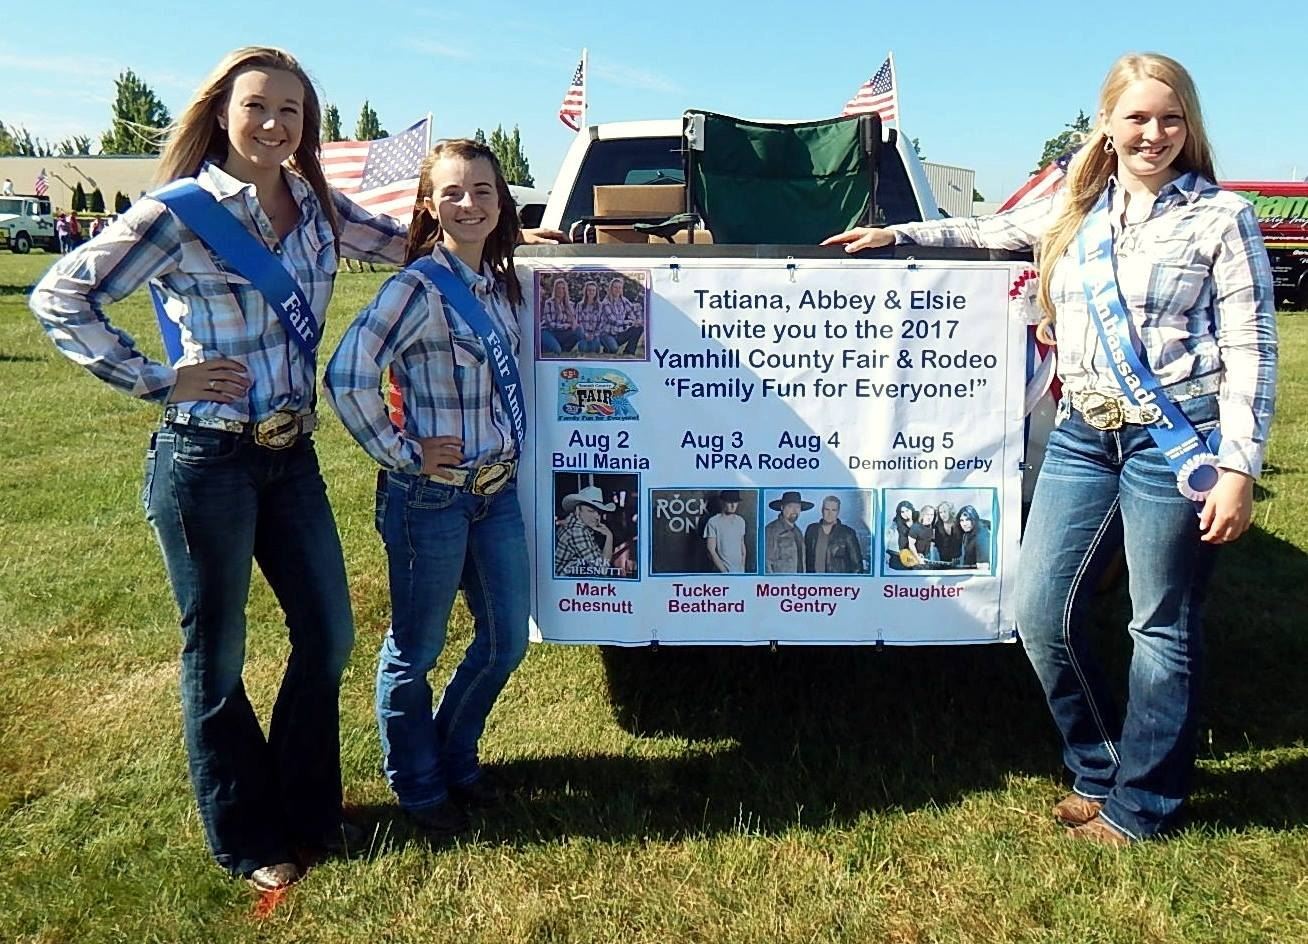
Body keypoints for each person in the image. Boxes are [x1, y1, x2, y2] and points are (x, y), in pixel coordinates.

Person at [825, 52, 1277, 844]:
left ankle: (1145, 806)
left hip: (1179, 440)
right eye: (1137, 118)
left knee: (1160, 626)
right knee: (1039, 611)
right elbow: (986, 229)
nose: (1154, 134)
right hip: (1082, 437)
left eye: (1171, 119)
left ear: (1190, 127)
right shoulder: (1077, 208)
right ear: (1106, 124)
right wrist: (898, 232)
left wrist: (1238, 464)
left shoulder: (1220, 217)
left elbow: (1253, 347)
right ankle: (1101, 766)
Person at [29, 45, 411, 892]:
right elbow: (60, 294)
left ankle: (309, 809)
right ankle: (245, 834)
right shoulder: (180, 213)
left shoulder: (316, 206)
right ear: (221, 114)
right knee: (220, 653)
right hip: (206, 459)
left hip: (292, 456)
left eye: (292, 111)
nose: (275, 124)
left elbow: (407, 245)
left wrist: (520, 237)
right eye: (257, 107)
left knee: (329, 637)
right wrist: (159, 378)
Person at [326, 138, 531, 840]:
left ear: (501, 201)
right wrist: (404, 452)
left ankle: (453, 754)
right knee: (415, 650)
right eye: (452, 192)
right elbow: (348, 375)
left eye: (482, 190)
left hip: (494, 493)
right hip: (431, 496)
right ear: (427, 204)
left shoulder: (500, 284)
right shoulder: (413, 288)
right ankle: (418, 787)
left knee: (505, 641)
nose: (469, 203)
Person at [554, 484, 617, 577]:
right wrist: (610, 537)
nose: (596, 517)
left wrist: (609, 535)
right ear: (578, 511)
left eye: (599, 512)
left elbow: (600, 561)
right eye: (590, 511)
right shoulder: (577, 531)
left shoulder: (581, 527)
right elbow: (603, 569)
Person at [805, 495, 865, 573]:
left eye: (833, 510)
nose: (830, 513)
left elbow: (857, 566)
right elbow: (805, 558)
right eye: (827, 509)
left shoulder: (848, 533)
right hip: (813, 583)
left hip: (838, 584)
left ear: (838, 512)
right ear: (822, 510)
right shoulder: (812, 530)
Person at [764, 490, 810, 574]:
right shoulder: (771, 530)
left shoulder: (798, 532)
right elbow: (766, 562)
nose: (794, 511)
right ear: (782, 508)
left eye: (797, 507)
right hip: (780, 584)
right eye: (790, 506)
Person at [704, 489, 748, 573]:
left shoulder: (740, 521)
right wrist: (723, 571)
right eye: (729, 502)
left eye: (735, 502)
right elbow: (711, 549)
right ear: (722, 502)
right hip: (722, 572)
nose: (733, 505)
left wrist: (742, 566)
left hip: (739, 571)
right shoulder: (713, 521)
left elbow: (742, 544)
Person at [600, 276, 643, 355]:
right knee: (614, 349)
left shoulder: (623, 300)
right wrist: (631, 322)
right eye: (615, 287)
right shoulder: (606, 303)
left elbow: (635, 308)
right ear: (611, 288)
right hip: (607, 334)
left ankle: (629, 352)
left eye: (619, 287)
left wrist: (638, 319)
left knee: (639, 328)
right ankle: (608, 347)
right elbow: (614, 321)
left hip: (619, 333)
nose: (617, 290)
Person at [540, 275, 578, 354]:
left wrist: (573, 324)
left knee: (579, 331)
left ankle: (564, 349)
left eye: (563, 288)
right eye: (558, 288)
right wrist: (566, 326)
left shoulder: (570, 305)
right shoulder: (549, 303)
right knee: (556, 350)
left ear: (565, 290)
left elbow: (574, 322)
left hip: (562, 332)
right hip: (548, 331)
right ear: (555, 290)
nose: (561, 290)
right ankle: (546, 346)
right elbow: (550, 324)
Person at [574, 279, 605, 353]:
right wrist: (585, 334)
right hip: (583, 334)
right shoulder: (580, 305)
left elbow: (601, 323)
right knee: (583, 349)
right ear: (586, 291)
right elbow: (578, 322)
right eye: (589, 290)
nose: (591, 292)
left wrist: (594, 335)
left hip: (595, 335)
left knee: (594, 350)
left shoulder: (600, 306)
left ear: (596, 292)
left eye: (593, 290)